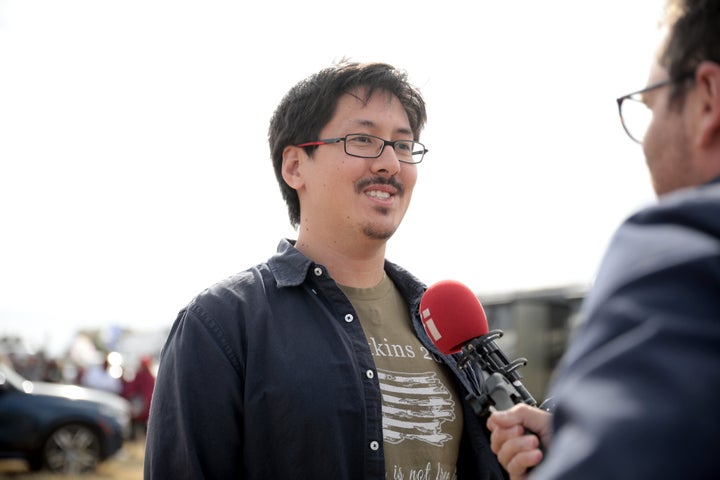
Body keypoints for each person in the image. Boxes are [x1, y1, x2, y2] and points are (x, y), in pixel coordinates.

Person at [145, 60, 508, 479]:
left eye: (403, 145)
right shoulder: (219, 325)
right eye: (363, 139)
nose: (390, 163)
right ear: (295, 166)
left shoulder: (442, 319)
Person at [486, 1, 720, 478]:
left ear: (709, 98)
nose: (649, 140)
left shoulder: (679, 249)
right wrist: (581, 432)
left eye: (650, 105)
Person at [122, 355, 155, 439]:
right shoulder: (143, 376)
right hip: (142, 406)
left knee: (144, 427)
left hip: (144, 407)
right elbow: (131, 389)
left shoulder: (149, 377)